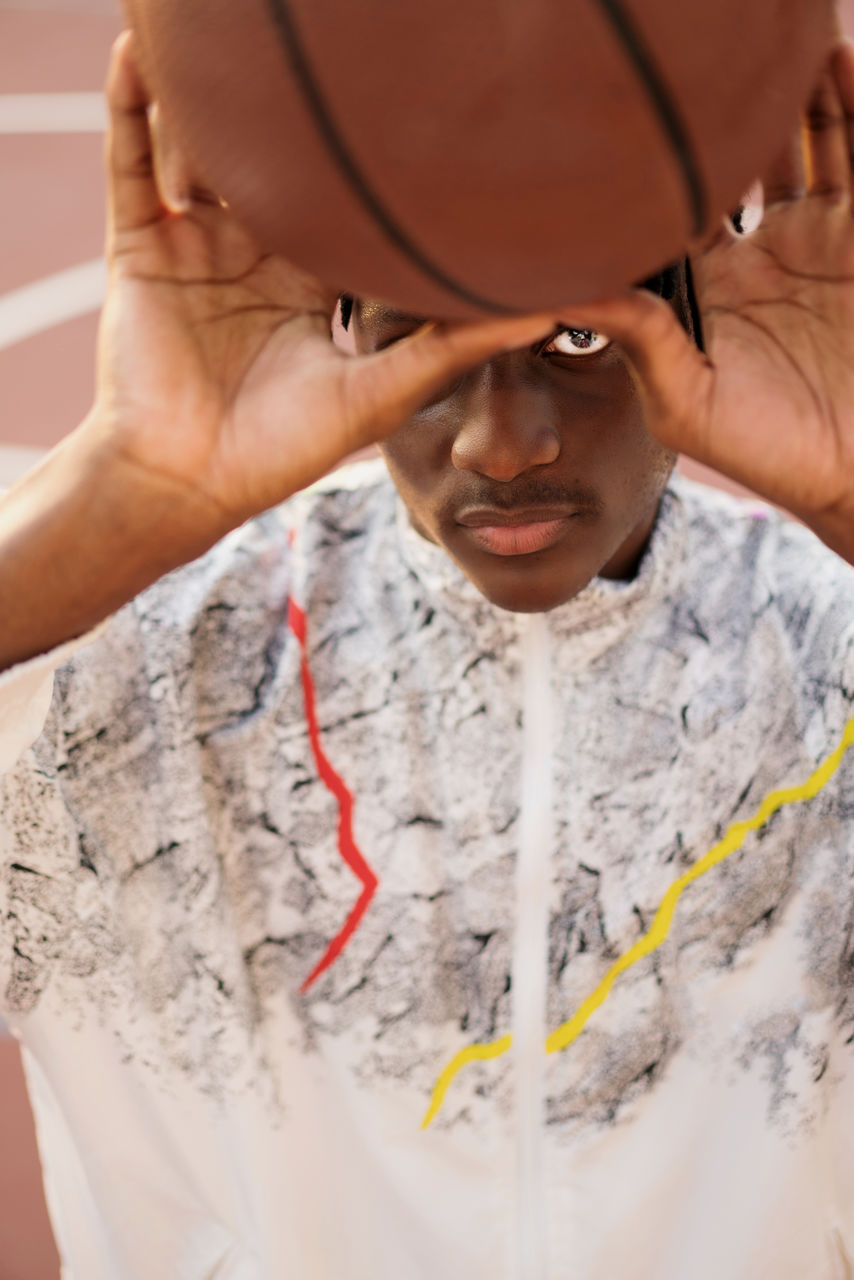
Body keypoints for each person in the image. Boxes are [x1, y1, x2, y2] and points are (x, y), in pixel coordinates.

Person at [2, 28, 854, 1280]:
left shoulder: (826, 651)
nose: (499, 446)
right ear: (342, 323)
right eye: (429, 347)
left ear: (702, 313)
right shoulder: (120, 663)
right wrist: (126, 483)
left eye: (577, 339)